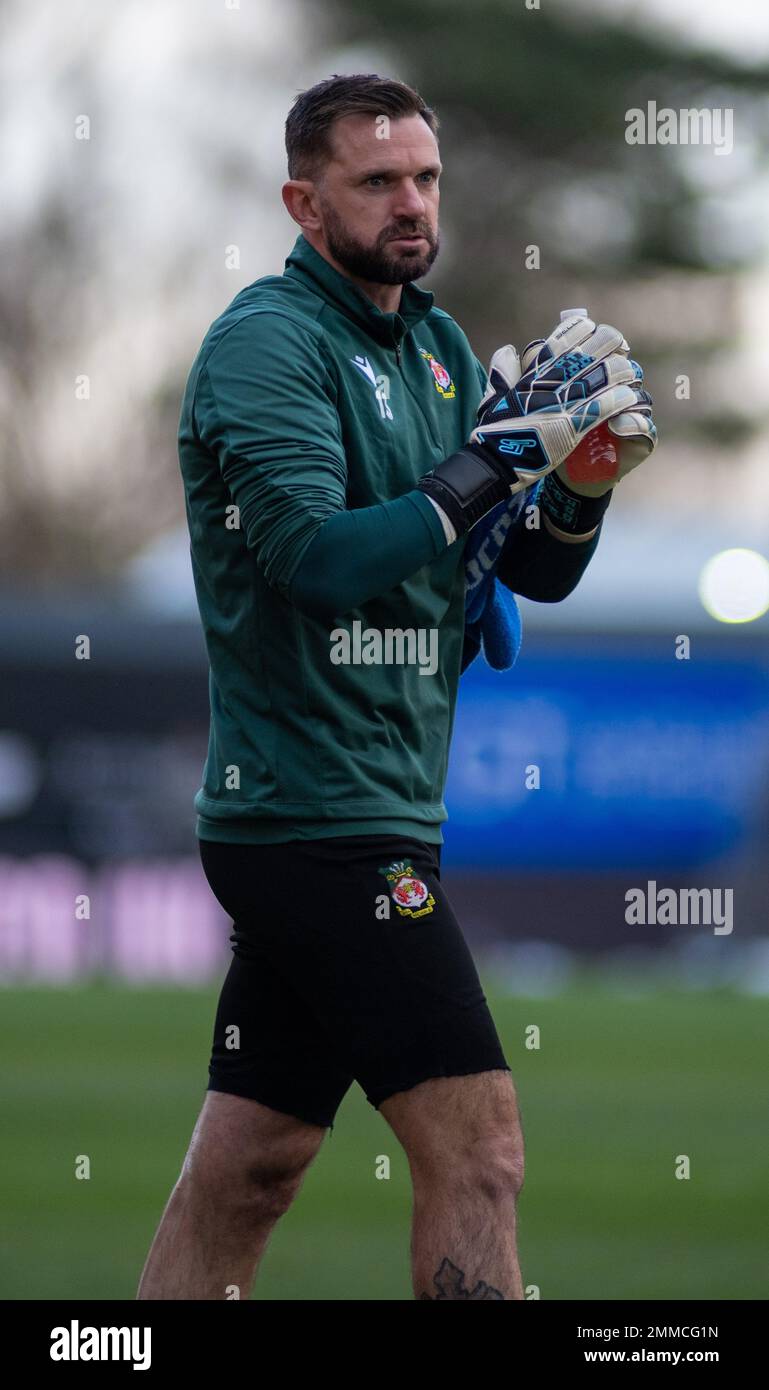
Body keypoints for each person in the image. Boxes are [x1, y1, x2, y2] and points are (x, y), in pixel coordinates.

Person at [138, 73, 656, 1302]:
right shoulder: (267, 341)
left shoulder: (432, 344)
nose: (412, 203)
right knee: (482, 1149)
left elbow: (520, 567)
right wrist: (487, 464)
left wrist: (575, 487)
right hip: (311, 819)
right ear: (303, 203)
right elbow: (318, 560)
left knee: (253, 1164)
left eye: (424, 177)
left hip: (376, 805)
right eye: (377, 182)